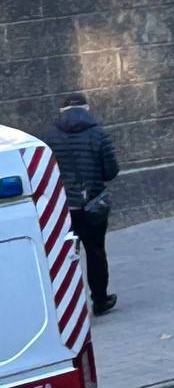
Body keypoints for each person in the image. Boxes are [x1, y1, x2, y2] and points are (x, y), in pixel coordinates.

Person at [44, 93, 119, 316]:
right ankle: (100, 300)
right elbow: (110, 171)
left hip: (62, 208)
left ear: (62, 112)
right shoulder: (98, 135)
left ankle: (70, 306)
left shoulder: (49, 138)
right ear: (86, 109)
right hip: (92, 205)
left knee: (65, 255)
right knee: (95, 252)